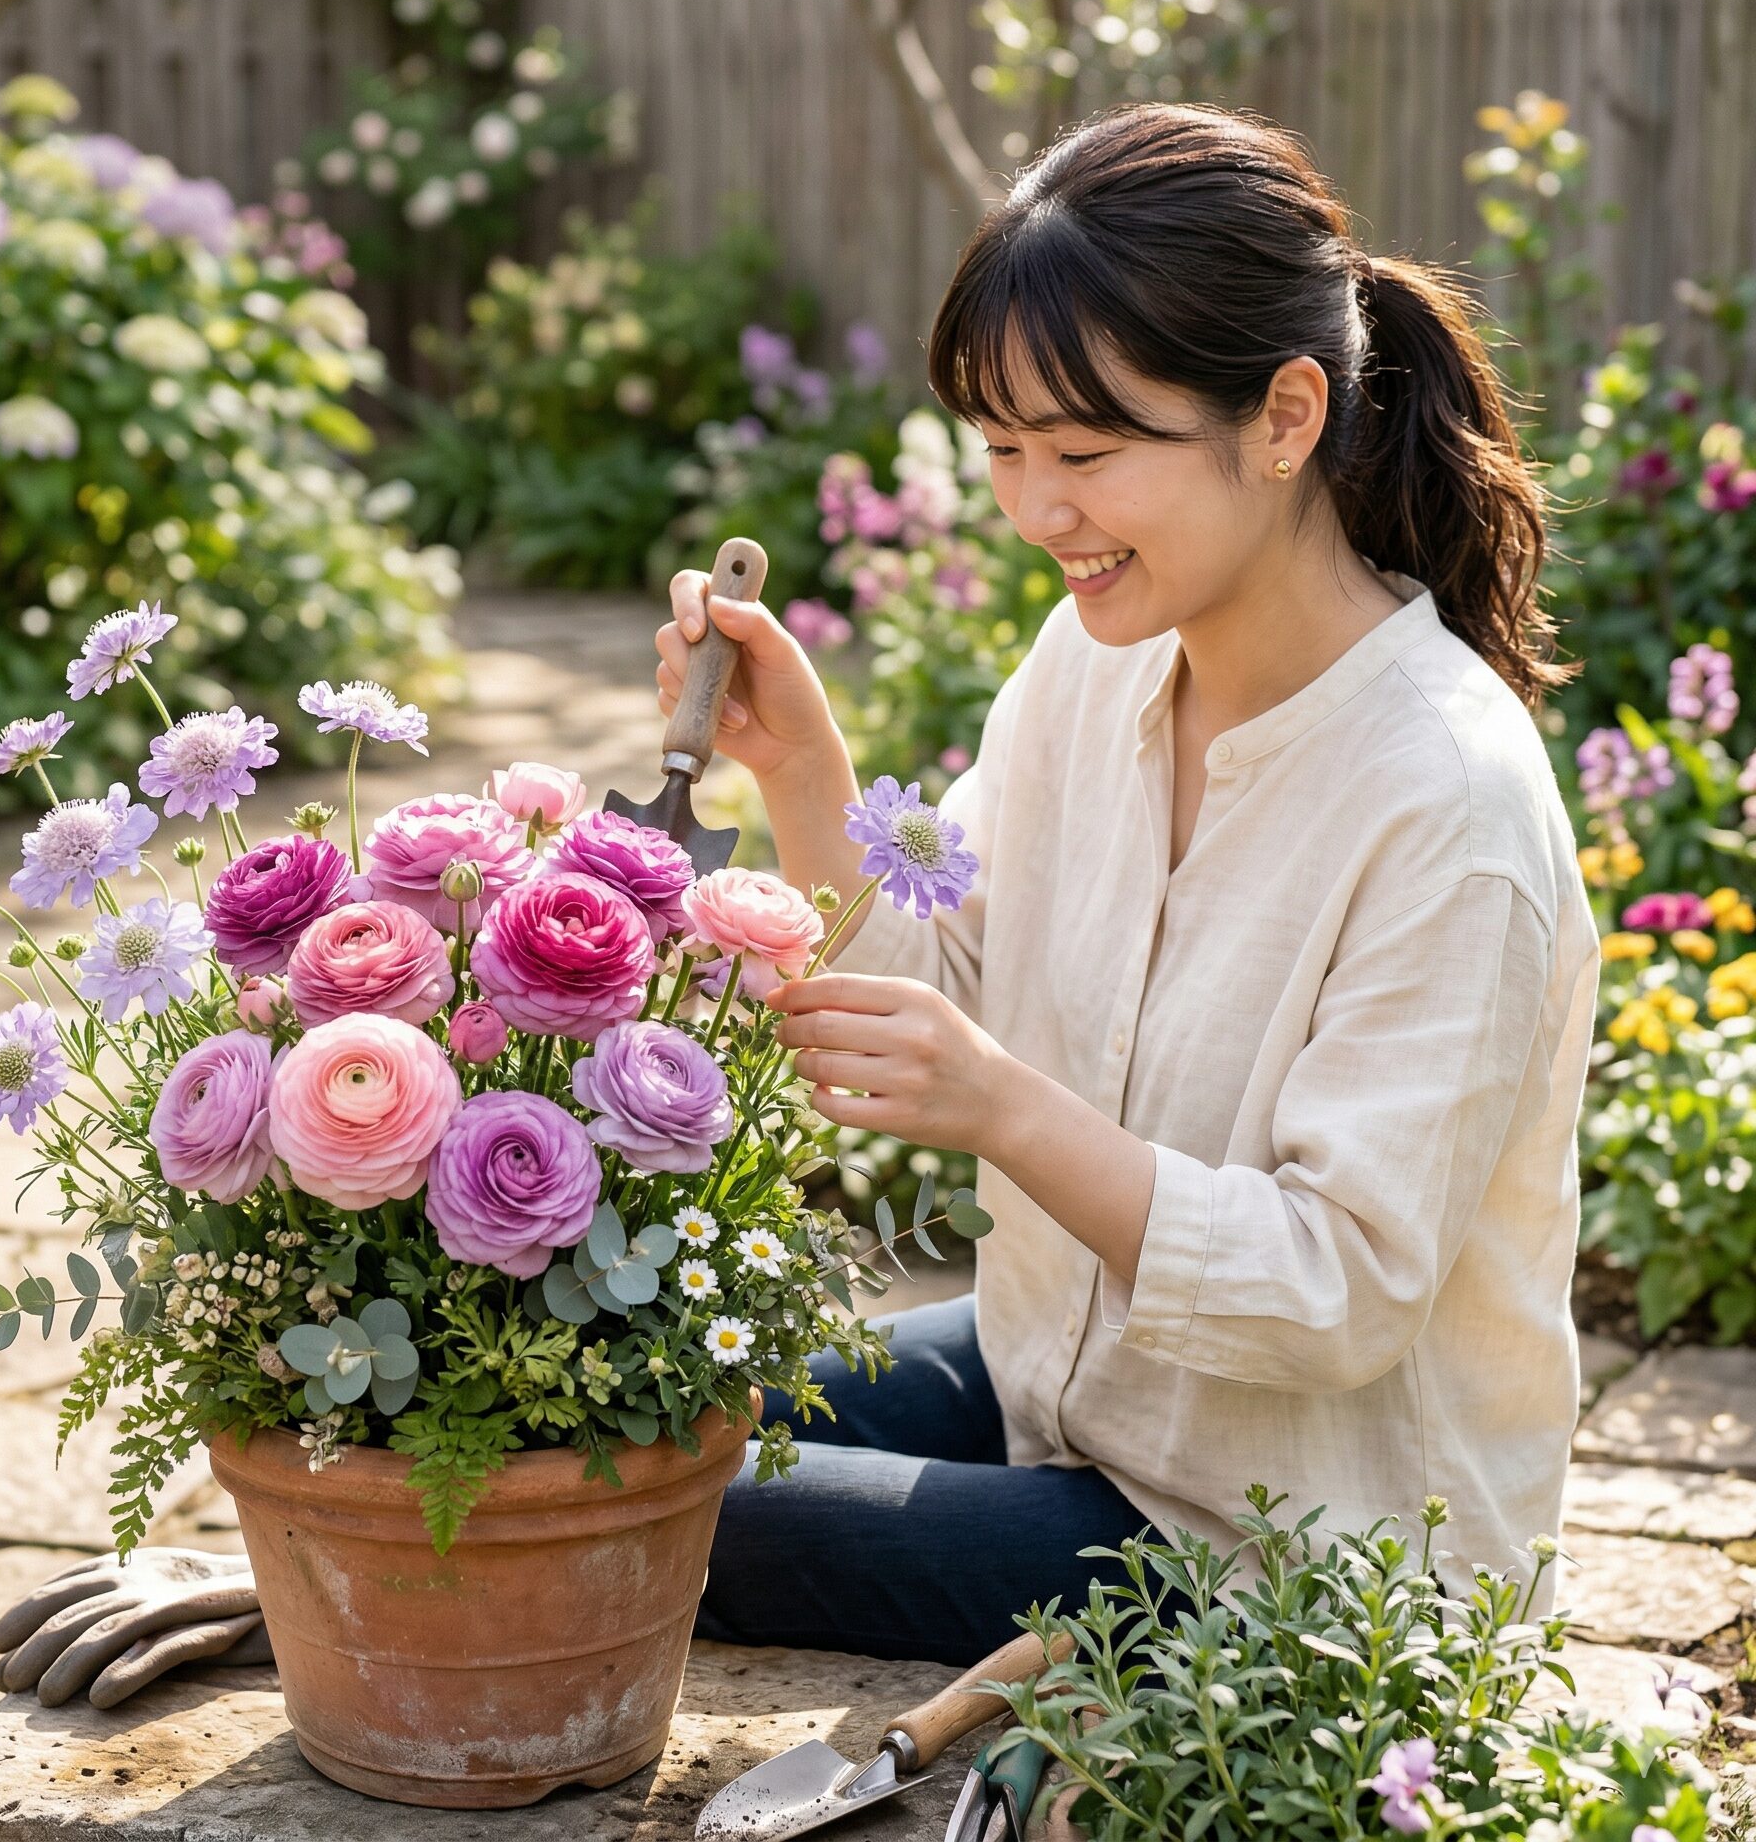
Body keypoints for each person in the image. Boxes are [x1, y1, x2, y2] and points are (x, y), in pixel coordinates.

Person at [677, 101, 1597, 1669]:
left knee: (659, 1498)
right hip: (1066, 1371)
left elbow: (1338, 1289)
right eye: (1006, 452)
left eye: (1088, 453)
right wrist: (801, 774)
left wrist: (1008, 1111)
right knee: (637, 1381)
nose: (1040, 512)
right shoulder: (1092, 672)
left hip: (1285, 1541)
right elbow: (940, 985)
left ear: (1287, 415)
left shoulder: (1445, 797)